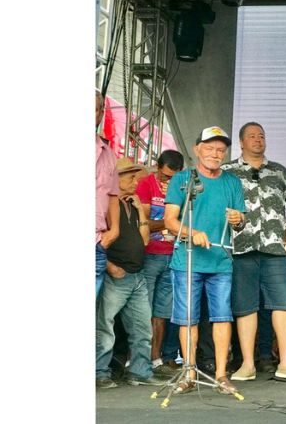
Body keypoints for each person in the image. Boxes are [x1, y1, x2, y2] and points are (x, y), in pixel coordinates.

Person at [221, 122, 286, 382]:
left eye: (261, 136)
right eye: (252, 136)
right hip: (240, 248)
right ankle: (247, 364)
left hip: (274, 249)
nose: (258, 140)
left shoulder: (279, 171)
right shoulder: (228, 172)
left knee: (283, 304)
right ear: (241, 142)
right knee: (245, 307)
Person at [164, 126, 246, 395]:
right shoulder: (182, 179)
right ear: (197, 149)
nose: (215, 153)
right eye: (209, 148)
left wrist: (239, 220)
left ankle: (221, 375)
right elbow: (170, 221)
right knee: (188, 319)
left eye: (221, 150)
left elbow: (240, 222)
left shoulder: (232, 182)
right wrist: (193, 233)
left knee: (222, 317)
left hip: (221, 261)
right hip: (187, 261)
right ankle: (188, 372)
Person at [95, 158, 165, 388]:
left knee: (142, 327)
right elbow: (96, 237)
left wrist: (141, 214)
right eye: (131, 177)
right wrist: (109, 266)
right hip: (117, 273)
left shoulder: (130, 204)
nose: (136, 182)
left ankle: (140, 372)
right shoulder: (104, 204)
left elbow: (144, 240)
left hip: (136, 274)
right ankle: (99, 372)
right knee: (105, 327)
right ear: (116, 178)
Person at [136, 149, 185, 376]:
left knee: (162, 312)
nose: (169, 181)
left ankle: (156, 359)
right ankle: (138, 359)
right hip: (150, 253)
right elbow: (143, 221)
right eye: (165, 176)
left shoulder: (184, 187)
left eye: (173, 177)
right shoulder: (146, 184)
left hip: (173, 256)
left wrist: (169, 223)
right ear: (157, 167)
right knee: (142, 309)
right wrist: (170, 222)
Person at [96, 90, 120, 296]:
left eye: (95, 109)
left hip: (96, 242)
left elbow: (113, 196)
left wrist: (115, 231)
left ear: (101, 113)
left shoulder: (108, 153)